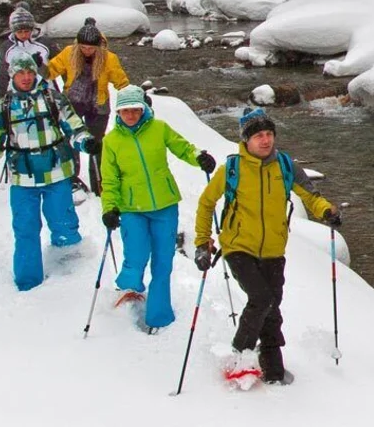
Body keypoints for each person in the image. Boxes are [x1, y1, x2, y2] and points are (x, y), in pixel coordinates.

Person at [194, 108, 341, 384]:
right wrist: (203, 242)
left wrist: (326, 212)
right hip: (238, 247)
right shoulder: (232, 169)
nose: (265, 140)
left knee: (272, 307)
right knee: (261, 298)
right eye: (259, 135)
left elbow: (311, 196)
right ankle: (240, 354)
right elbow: (205, 203)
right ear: (246, 140)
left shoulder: (285, 166)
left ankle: (272, 366)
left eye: (269, 134)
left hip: (274, 250)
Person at [0, 51, 96, 291]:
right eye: (21, 73)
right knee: (25, 228)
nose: (27, 77)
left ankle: (71, 273)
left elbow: (74, 127)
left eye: (30, 72)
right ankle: (28, 282)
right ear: (12, 75)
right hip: (22, 175)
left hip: (57, 171)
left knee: (63, 222)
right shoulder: (3, 106)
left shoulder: (53, 98)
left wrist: (86, 141)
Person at [100, 86, 217, 333]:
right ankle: (129, 287)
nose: (130, 115)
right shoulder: (111, 141)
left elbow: (182, 147)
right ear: (118, 112)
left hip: (165, 205)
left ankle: (159, 317)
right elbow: (109, 180)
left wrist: (199, 157)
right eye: (125, 111)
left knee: (163, 262)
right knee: (136, 254)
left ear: (143, 109)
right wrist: (109, 208)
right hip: (131, 208)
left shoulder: (159, 128)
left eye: (135, 109)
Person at [46, 17, 131, 193]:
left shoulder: (109, 59)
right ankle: (72, 180)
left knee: (96, 145)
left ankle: (99, 184)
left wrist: (135, 97)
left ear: (98, 46)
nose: (86, 51)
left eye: (91, 48)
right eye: (83, 47)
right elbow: (51, 71)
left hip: (98, 106)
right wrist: (39, 67)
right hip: (72, 104)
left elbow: (121, 82)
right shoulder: (69, 53)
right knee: (72, 141)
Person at [0, 3, 52, 102]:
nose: (24, 35)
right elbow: (3, 75)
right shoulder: (7, 47)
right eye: (19, 32)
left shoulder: (45, 43)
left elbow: (61, 67)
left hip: (46, 94)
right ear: (13, 31)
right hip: (18, 95)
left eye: (27, 31)